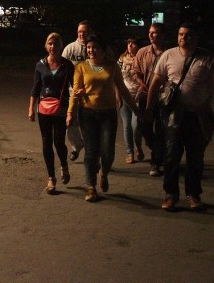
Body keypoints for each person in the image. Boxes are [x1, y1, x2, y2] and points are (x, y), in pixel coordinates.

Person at [148, 23, 214, 212]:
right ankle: (170, 194)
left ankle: (194, 194)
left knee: (195, 157)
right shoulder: (168, 55)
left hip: (198, 115)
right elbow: (156, 81)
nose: (183, 38)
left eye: (188, 35)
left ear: (196, 37)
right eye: (181, 34)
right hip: (174, 115)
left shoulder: (208, 58)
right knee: (171, 156)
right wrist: (148, 108)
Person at [67, 35, 141, 203]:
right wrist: (70, 112)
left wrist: (136, 110)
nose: (91, 50)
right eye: (88, 48)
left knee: (107, 151)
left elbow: (122, 88)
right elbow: (76, 91)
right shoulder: (81, 67)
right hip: (88, 114)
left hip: (108, 114)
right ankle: (91, 186)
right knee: (91, 151)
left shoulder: (112, 66)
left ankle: (104, 172)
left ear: (102, 49)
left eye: (94, 47)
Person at [28, 32, 74, 194]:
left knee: (59, 142)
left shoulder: (68, 65)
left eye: (56, 43)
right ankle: (51, 178)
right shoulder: (40, 65)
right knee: (46, 143)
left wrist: (72, 110)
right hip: (44, 110)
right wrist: (31, 108)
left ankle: (64, 165)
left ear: (61, 46)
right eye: (50, 43)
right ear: (46, 45)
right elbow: (35, 88)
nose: (53, 46)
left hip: (61, 109)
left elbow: (75, 87)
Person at [131, 22, 168, 176]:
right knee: (143, 126)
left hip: (163, 97)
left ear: (162, 35)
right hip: (145, 95)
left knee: (160, 129)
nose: (152, 35)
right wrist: (141, 82)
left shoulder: (169, 53)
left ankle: (156, 162)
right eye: (150, 32)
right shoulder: (143, 52)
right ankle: (159, 151)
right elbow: (135, 71)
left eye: (156, 32)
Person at [61, 20, 91, 162]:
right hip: (72, 92)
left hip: (90, 95)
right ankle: (77, 146)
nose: (81, 34)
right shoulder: (70, 49)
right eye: (80, 31)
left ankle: (91, 153)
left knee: (88, 124)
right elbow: (61, 69)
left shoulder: (94, 49)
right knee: (70, 122)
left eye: (84, 31)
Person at [118, 37, 142, 164]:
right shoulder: (121, 59)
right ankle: (130, 152)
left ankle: (138, 145)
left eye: (133, 43)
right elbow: (117, 77)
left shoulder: (141, 58)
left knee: (136, 125)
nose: (130, 45)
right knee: (126, 125)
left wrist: (141, 91)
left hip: (138, 95)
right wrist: (118, 95)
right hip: (124, 94)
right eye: (128, 43)